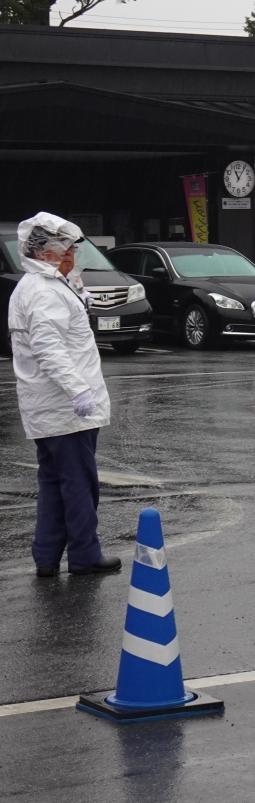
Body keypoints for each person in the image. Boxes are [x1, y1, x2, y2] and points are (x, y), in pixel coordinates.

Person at [7, 213, 120, 577]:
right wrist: (78, 390)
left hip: (49, 408)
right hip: (66, 410)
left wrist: (76, 296)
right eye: (65, 249)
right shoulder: (44, 291)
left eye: (71, 248)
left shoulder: (39, 286)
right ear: (43, 253)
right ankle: (85, 555)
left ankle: (47, 556)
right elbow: (49, 349)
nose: (72, 255)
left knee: (54, 483)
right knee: (78, 484)